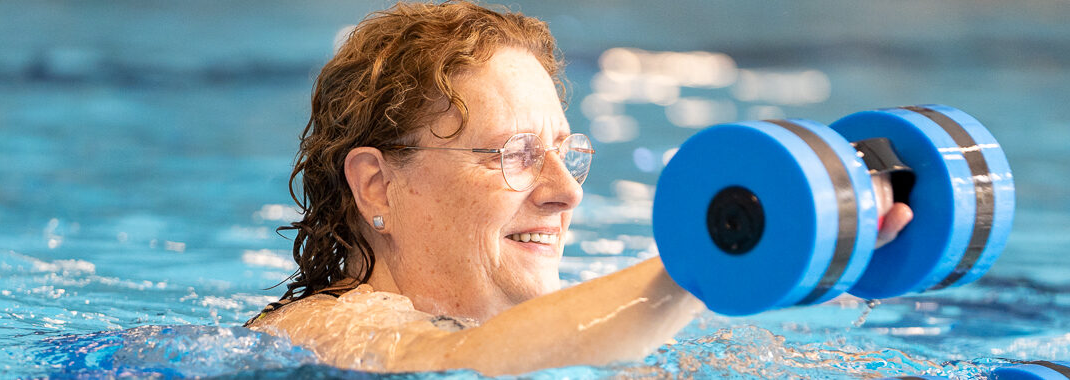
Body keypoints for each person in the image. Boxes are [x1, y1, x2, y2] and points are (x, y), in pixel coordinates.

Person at [245, 1, 913, 375]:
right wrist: (715, 256)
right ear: (377, 186)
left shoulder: (538, 327)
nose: (568, 193)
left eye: (567, 155)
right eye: (515, 154)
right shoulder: (316, 336)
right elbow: (456, 362)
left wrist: (821, 257)